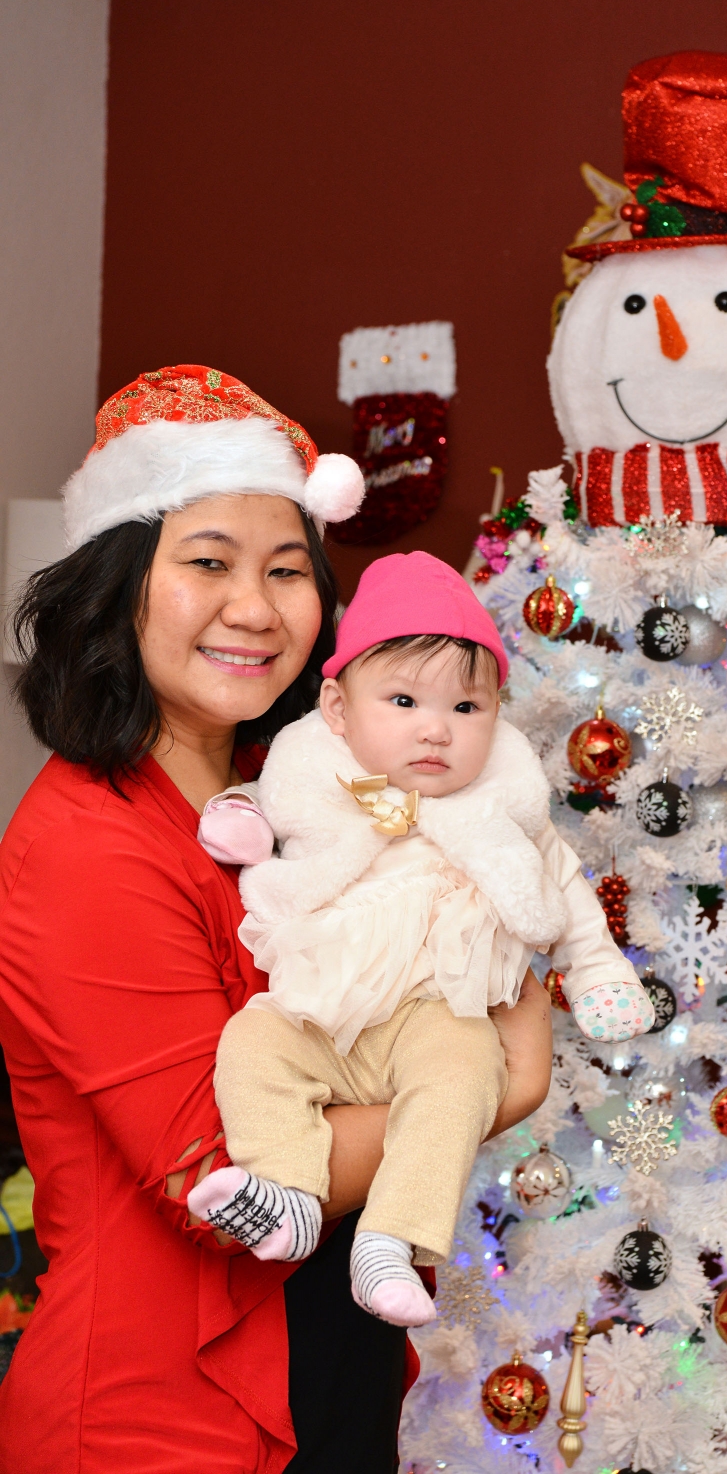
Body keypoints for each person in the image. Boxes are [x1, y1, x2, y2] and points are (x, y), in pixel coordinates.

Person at [0, 367, 555, 1474]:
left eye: (288, 570)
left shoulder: (307, 801)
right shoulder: (82, 843)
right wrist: (499, 1081)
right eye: (208, 563)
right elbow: (220, 1186)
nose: (254, 608)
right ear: (119, 587)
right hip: (152, 1416)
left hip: (327, 1379)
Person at [187, 552, 655, 1327]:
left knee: (462, 1073)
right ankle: (288, 1194)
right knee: (252, 1044)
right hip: (325, 1010)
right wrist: (244, 816)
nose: (435, 729)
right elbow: (271, 810)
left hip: (438, 1010)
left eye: (467, 709)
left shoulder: (501, 811)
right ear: (337, 710)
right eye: (402, 700)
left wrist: (598, 973)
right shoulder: (312, 775)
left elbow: (563, 892)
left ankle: (391, 1240)